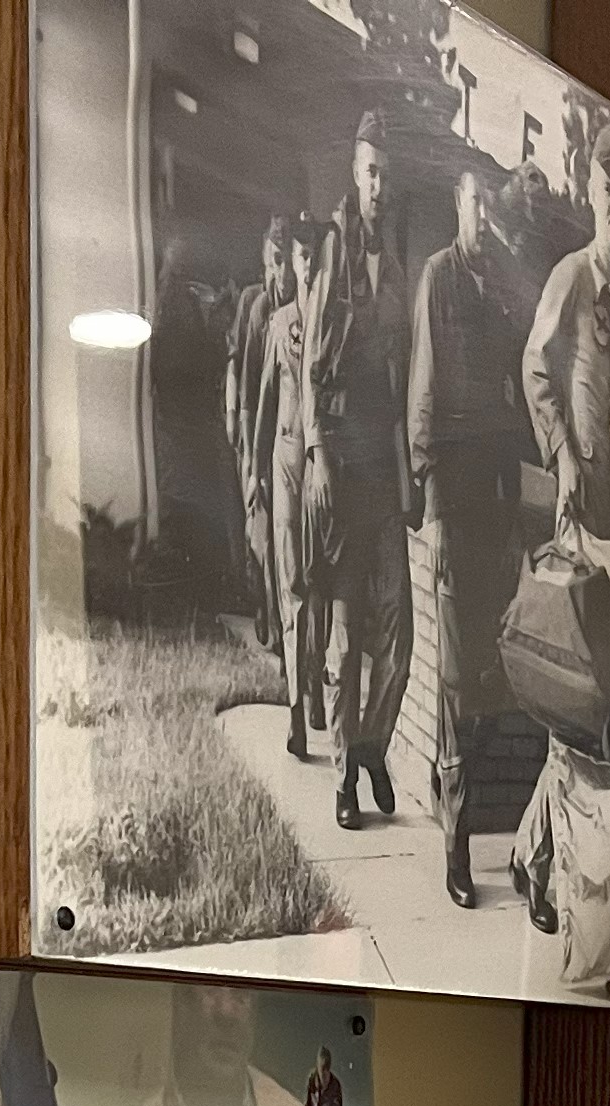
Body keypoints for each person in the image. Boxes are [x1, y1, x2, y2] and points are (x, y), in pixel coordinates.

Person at [513, 120, 610, 1003]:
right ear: (588, 194)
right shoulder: (571, 277)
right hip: (583, 524)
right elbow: (536, 368)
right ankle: (609, 952)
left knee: (588, 718)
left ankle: (533, 855)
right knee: (601, 721)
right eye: (606, 192)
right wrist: (565, 456)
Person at [408, 156, 526, 910]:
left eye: (490, 204)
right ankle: (456, 837)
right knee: (455, 678)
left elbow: (517, 396)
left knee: (487, 675)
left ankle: (447, 776)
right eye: (474, 203)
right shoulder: (438, 278)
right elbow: (423, 389)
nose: (483, 216)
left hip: (495, 505)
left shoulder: (502, 288)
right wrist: (431, 507)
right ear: (458, 206)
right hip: (453, 500)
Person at [310, 115, 416, 830]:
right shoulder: (333, 249)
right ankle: (347, 773)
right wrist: (318, 454)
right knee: (348, 642)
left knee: (399, 633)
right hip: (342, 471)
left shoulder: (397, 267)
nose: (377, 185)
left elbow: (404, 379)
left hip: (383, 473)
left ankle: (374, 745)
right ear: (355, 173)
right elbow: (312, 366)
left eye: (386, 174)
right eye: (369, 171)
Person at [266, 219, 334, 761]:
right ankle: (295, 708)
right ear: (291, 263)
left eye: (315, 256)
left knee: (320, 584)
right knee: (291, 583)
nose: (308, 267)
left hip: (323, 470)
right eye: (301, 257)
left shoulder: (334, 325)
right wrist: (256, 471)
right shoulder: (280, 323)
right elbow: (266, 398)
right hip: (287, 462)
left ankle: (313, 680)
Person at [226, 219, 297, 658]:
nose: (282, 273)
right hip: (258, 433)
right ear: (266, 262)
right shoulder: (257, 308)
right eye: (276, 262)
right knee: (262, 531)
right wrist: (251, 461)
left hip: (287, 435)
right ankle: (266, 607)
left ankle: (286, 625)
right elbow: (249, 387)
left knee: (284, 537)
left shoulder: (304, 304)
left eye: (288, 262)